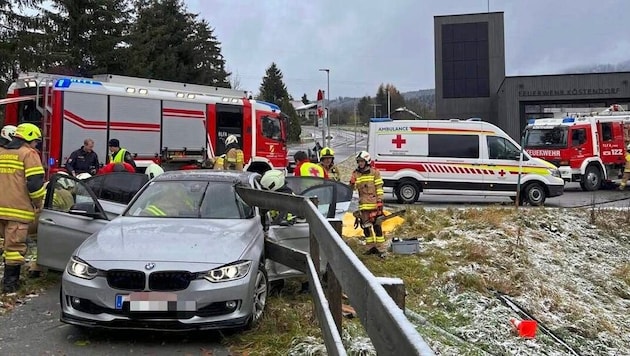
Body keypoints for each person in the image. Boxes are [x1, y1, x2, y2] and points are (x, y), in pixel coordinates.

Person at [0, 123, 46, 292]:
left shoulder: (2, 152)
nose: (36, 145)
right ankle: (10, 285)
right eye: (35, 141)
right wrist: (38, 203)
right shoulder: (28, 154)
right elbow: (34, 184)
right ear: (29, 138)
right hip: (17, 211)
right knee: (14, 249)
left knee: (4, 244)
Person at [349, 151, 386, 258]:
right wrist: (351, 183)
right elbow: (351, 189)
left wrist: (379, 201)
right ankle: (370, 247)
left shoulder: (375, 172)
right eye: (359, 161)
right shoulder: (355, 174)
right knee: (365, 227)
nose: (360, 163)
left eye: (362, 161)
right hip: (363, 205)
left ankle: (380, 248)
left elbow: (379, 187)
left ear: (367, 161)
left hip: (375, 205)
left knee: (377, 226)